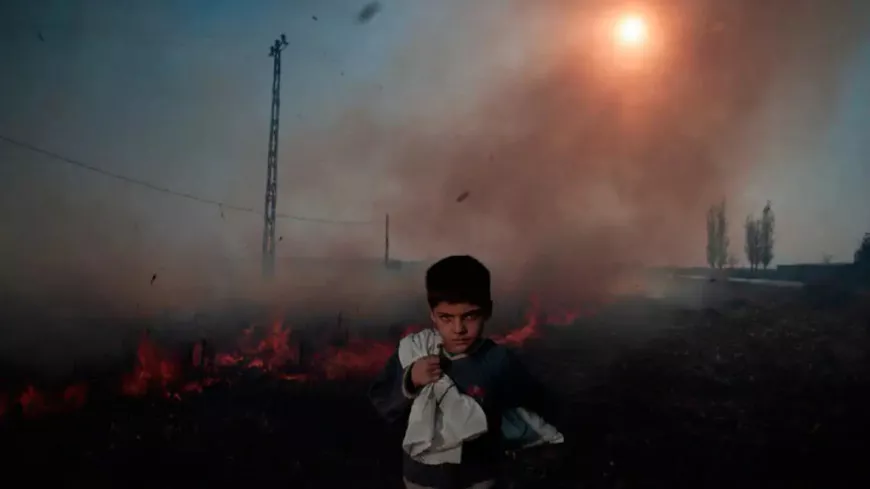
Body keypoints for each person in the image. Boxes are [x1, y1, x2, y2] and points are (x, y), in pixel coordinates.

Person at [369, 255, 560, 489]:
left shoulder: (497, 360)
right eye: (446, 318)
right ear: (433, 315)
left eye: (469, 316)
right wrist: (410, 380)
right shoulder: (414, 353)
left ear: (487, 311)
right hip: (423, 478)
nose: (458, 329)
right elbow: (383, 401)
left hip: (479, 475)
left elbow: (532, 401)